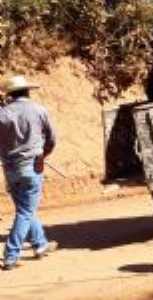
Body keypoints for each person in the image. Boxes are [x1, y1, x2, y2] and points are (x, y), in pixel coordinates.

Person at [0, 76, 58, 271]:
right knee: (25, 211)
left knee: (25, 209)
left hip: (10, 169)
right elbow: (51, 139)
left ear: (9, 94)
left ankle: (40, 244)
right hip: (32, 166)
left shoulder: (2, 114)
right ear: (27, 91)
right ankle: (11, 255)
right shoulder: (39, 110)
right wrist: (44, 155)